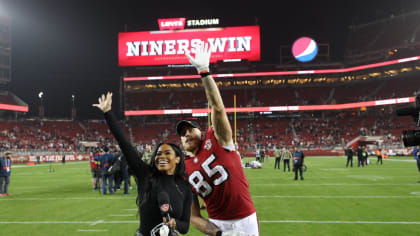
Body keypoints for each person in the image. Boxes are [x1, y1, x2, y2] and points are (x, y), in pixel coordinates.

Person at [176, 41, 259, 236]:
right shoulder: (182, 168)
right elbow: (193, 215)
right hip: (217, 224)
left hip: (246, 219)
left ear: (202, 132)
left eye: (190, 130)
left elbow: (218, 108)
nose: (186, 134)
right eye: (182, 133)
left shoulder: (217, 139)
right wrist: (217, 233)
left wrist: (204, 71)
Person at [93, 93, 192, 236]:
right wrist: (108, 113)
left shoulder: (185, 187)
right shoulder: (146, 174)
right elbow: (125, 145)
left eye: (167, 153)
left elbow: (185, 226)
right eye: (158, 154)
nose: (161, 157)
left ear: (177, 159)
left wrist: (174, 223)